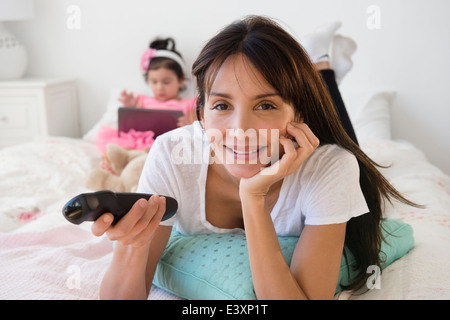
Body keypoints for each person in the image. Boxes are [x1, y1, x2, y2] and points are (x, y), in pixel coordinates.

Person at [92, 16, 418, 300]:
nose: (240, 129)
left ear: (297, 113)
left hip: (329, 159)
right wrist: (131, 246)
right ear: (201, 114)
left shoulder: (331, 167)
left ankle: (322, 67)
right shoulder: (172, 153)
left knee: (348, 148)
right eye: (221, 106)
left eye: (265, 105)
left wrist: (253, 196)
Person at [96, 38, 196, 153]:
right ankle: (116, 165)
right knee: (121, 150)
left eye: (166, 82)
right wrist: (132, 109)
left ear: (180, 80)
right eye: (154, 82)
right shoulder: (143, 101)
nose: (159, 88)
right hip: (141, 143)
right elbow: (134, 127)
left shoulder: (189, 104)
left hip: (169, 146)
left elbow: (199, 132)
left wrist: (189, 125)